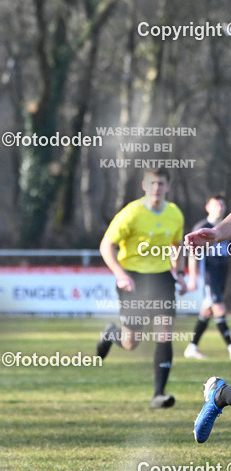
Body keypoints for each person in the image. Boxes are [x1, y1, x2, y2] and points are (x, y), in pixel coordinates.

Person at [96, 168, 186, 409]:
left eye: (161, 184)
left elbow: (176, 245)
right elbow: (106, 246)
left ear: (168, 187)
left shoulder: (175, 213)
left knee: (164, 333)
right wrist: (120, 274)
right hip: (133, 278)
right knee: (131, 342)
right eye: (152, 183)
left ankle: (159, 394)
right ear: (145, 186)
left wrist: (179, 272)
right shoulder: (131, 213)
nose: (157, 188)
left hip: (161, 277)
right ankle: (111, 334)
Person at [187, 217, 231, 441]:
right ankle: (220, 395)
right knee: (214, 310)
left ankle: (220, 395)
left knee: (209, 312)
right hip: (211, 278)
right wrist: (217, 233)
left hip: (222, 278)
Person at [184, 194, 230, 359]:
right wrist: (192, 279)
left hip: (222, 274)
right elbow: (192, 253)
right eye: (216, 204)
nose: (220, 208)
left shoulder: (225, 227)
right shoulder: (203, 226)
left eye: (222, 205)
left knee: (207, 312)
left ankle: (191, 347)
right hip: (208, 275)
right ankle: (230, 346)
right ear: (208, 207)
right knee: (219, 308)